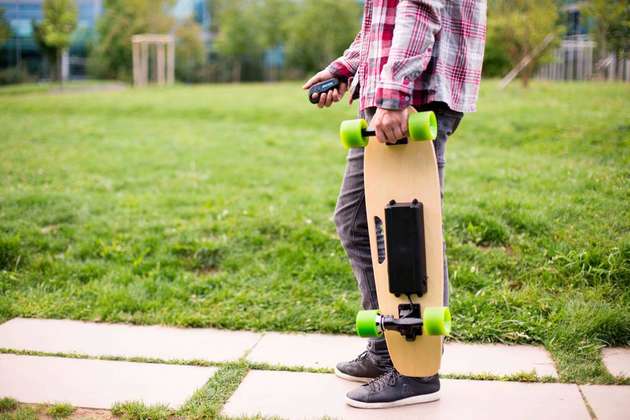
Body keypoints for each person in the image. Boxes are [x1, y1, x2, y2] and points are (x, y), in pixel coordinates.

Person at [303, 0, 487, 409]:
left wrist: (394, 93)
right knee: (354, 221)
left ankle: (417, 370)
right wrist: (346, 68)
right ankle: (390, 349)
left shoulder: (401, 94)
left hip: (411, 97)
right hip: (391, 94)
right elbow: (382, 22)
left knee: (409, 234)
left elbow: (419, 7)